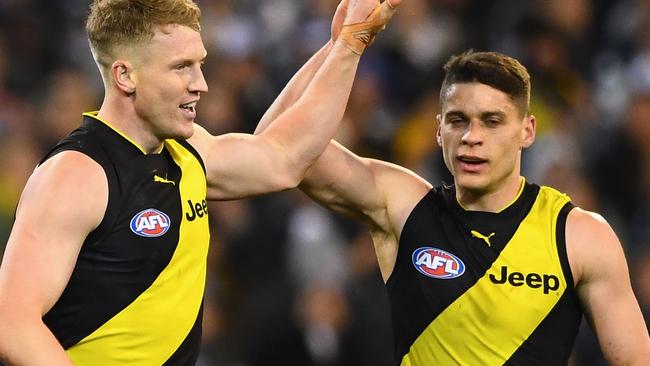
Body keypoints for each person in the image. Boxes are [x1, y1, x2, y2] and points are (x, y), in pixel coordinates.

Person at [0, 0, 402, 364]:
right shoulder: (77, 173)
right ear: (125, 75)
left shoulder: (189, 152)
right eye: (181, 67)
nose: (201, 84)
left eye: (200, 65)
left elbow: (285, 157)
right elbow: (12, 321)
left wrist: (344, 44)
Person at [255, 50, 650, 364]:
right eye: (459, 121)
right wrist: (347, 43)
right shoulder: (404, 207)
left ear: (527, 131)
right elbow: (274, 147)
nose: (471, 137)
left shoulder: (577, 235)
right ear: (439, 128)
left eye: (492, 121)